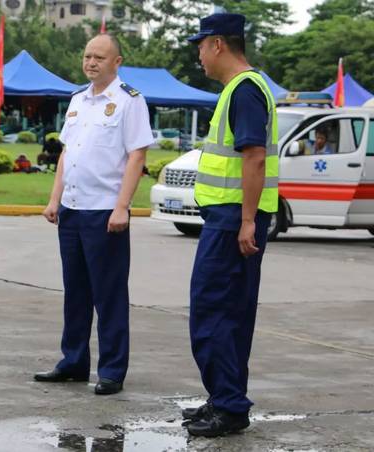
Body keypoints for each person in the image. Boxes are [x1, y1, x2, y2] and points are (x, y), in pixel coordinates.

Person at [34, 33, 154, 396]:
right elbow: (67, 155)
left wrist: (122, 207)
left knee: (109, 294)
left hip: (105, 213)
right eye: (87, 56)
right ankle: (72, 362)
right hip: (72, 210)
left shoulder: (129, 102)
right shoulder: (77, 101)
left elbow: (137, 156)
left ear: (117, 62)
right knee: (76, 292)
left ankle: (112, 370)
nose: (91, 62)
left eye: (100, 57)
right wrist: (54, 199)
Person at [183, 13, 279, 436]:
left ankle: (229, 406)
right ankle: (225, 399)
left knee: (213, 314)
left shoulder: (243, 90)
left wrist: (244, 222)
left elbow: (254, 156)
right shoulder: (242, 89)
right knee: (229, 315)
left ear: (218, 44)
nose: (199, 56)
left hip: (232, 221)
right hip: (229, 219)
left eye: (201, 46)